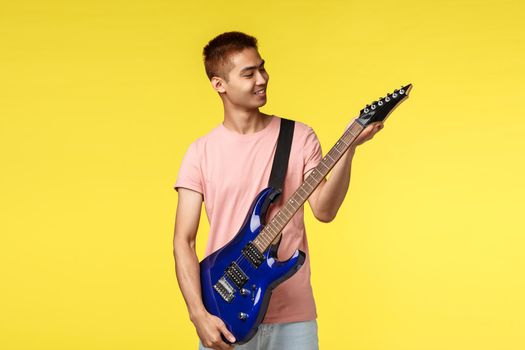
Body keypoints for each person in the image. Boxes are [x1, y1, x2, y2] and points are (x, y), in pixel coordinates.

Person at [172, 31, 383, 350]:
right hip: (223, 313)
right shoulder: (200, 152)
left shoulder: (298, 137)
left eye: (262, 67)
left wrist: (349, 149)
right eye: (248, 73)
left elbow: (324, 211)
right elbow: (183, 241)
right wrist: (198, 315)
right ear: (220, 85)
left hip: (293, 316)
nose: (262, 79)